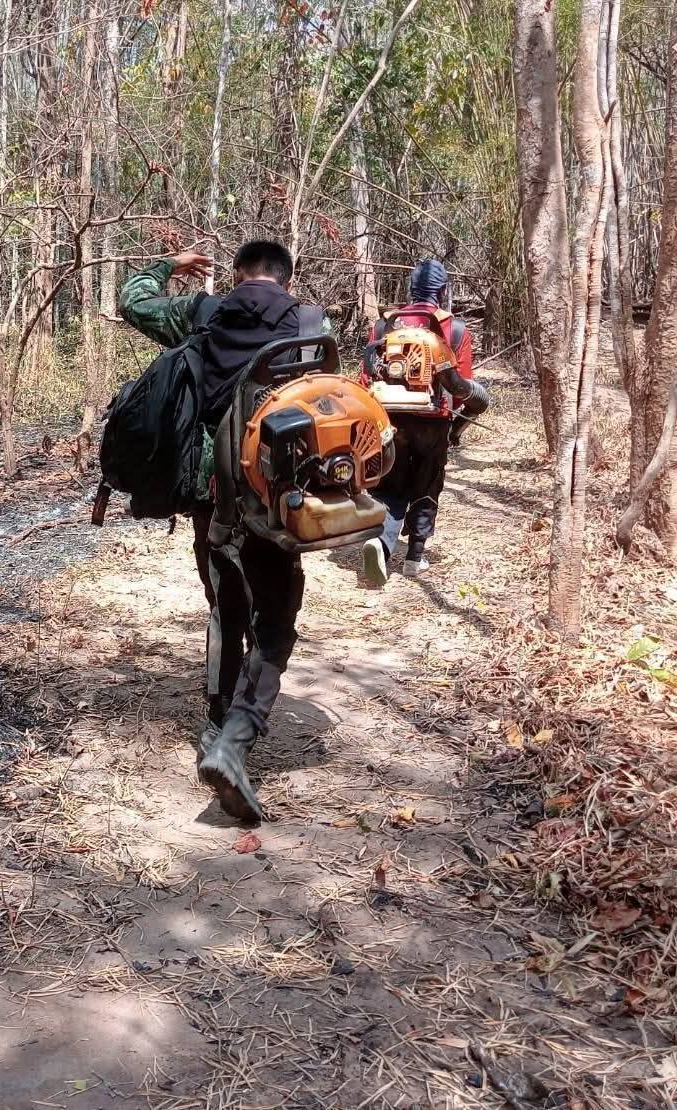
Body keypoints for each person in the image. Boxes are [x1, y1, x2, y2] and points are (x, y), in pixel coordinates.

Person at [117, 241, 330, 822]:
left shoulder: (202, 312)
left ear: (237, 276)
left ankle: (216, 723)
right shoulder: (312, 325)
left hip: (213, 495)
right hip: (274, 500)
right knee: (275, 619)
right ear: (287, 278)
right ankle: (234, 738)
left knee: (224, 607)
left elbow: (133, 300)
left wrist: (169, 266)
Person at [359, 259, 488, 587]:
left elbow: (365, 378)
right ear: (443, 292)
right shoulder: (454, 329)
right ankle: (415, 557)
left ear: (410, 289)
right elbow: (462, 388)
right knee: (427, 483)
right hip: (433, 422)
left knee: (388, 485)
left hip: (389, 418)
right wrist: (456, 425)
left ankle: (381, 545)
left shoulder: (384, 326)